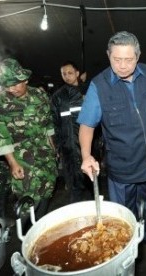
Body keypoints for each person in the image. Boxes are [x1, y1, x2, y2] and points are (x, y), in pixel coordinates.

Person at [77, 31, 146, 259]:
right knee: (123, 213)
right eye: (116, 59)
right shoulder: (99, 85)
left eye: (128, 59)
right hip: (122, 166)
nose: (122, 65)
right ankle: (127, 250)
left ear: (137, 57)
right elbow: (87, 126)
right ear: (108, 55)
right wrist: (86, 155)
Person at [0, 58, 57, 220]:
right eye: (7, 85)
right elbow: (1, 137)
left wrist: (53, 146)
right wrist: (12, 163)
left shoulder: (40, 96)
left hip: (45, 155)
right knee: (27, 200)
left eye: (14, 84)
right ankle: (26, 238)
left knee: (46, 191)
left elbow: (48, 123)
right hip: (21, 158)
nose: (11, 89)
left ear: (25, 80)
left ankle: (39, 232)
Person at [50, 61, 92, 203]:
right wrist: (57, 146)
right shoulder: (58, 97)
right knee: (75, 188)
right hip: (69, 148)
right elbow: (54, 123)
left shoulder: (87, 92)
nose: (67, 76)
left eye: (70, 73)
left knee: (92, 184)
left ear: (77, 73)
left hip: (89, 147)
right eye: (64, 74)